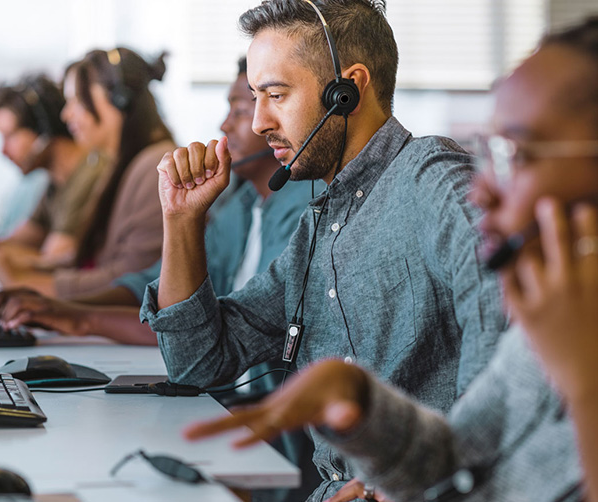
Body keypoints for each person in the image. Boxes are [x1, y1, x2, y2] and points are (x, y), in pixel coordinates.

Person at [184, 17, 598, 502]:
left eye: (516, 155)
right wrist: (359, 403)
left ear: (346, 91)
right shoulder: (547, 330)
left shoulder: (433, 184)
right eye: (490, 151)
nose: (481, 190)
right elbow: (459, 461)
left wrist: (585, 388)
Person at [140, 1, 506, 499]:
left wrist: (435, 482)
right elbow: (199, 361)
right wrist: (182, 220)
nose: (259, 123)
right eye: (255, 97)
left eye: (276, 94)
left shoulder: (430, 177)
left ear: (347, 90)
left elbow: (506, 326)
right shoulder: (319, 227)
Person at [0, 57, 319, 347]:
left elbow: (222, 329)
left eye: (240, 110)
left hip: (244, 398)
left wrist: (77, 317)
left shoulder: (303, 209)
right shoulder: (241, 204)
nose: (224, 124)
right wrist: (65, 311)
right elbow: (157, 284)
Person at [0, 48, 175, 299]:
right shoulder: (117, 166)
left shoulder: (155, 167)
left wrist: (28, 283)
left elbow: (133, 279)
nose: (66, 114)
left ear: (119, 100)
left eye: (77, 101)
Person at [0, 74, 99, 270]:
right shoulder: (54, 185)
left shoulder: (89, 176)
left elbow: (51, 261)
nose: (3, 151)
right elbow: (9, 243)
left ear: (43, 128)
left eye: (10, 136)